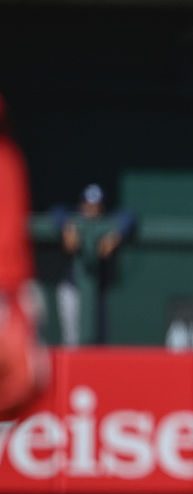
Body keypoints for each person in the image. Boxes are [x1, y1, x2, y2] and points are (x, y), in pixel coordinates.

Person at [0, 94, 47, 420]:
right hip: (11, 286)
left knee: (28, 375)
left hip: (8, 287)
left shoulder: (8, 161)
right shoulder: (9, 159)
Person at [51, 183, 136, 345]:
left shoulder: (107, 223)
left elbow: (130, 216)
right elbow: (57, 211)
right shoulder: (73, 220)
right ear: (81, 204)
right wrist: (65, 228)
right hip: (72, 289)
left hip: (97, 291)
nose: (92, 209)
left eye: (96, 206)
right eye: (88, 205)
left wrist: (117, 235)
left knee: (98, 341)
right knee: (72, 342)